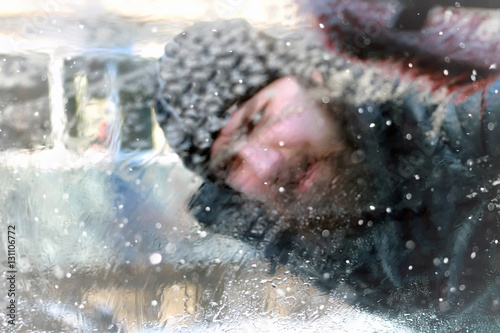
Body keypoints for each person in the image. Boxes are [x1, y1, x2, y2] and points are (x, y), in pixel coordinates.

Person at [155, 18, 500, 326]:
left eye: (257, 119)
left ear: (314, 76)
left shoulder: (470, 116)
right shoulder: (288, 228)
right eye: (230, 164)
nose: (266, 166)